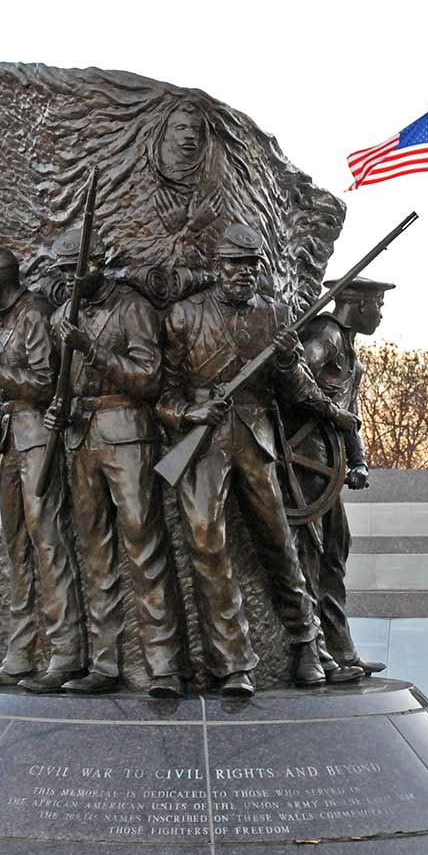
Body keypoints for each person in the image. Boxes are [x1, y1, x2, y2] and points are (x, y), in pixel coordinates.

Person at [158, 223, 347, 696]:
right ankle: (233, 661)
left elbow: (296, 390)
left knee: (279, 542)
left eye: (251, 265)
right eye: (234, 264)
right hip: (201, 442)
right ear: (217, 267)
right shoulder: (183, 316)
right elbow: (161, 394)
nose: (243, 273)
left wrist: (286, 362)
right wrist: (188, 411)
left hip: (257, 438)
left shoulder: (275, 315)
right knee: (205, 543)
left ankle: (307, 643)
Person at [43, 228, 184, 697]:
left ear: (98, 265)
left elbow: (148, 378)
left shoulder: (134, 308)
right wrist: (57, 406)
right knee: (95, 553)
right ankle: (105, 665)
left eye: (76, 270)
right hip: (80, 438)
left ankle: (164, 667)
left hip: (128, 433)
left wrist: (91, 349)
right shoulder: (64, 314)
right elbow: (58, 382)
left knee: (144, 548)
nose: (69, 280)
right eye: (63, 272)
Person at [0, 241, 86, 693]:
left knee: (49, 545)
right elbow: (4, 392)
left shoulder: (32, 314)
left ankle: (66, 654)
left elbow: (47, 384)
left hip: (38, 441)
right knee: (18, 552)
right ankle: (19, 653)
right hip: (10, 440)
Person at [293, 277, 395, 677]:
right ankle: (317, 656)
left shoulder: (352, 355)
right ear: (357, 303)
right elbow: (292, 378)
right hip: (303, 465)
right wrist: (329, 412)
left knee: (335, 556)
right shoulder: (325, 336)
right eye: (378, 306)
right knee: (310, 561)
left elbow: (350, 418)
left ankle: (343, 652)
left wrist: (359, 462)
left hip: (330, 467)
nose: (381, 315)